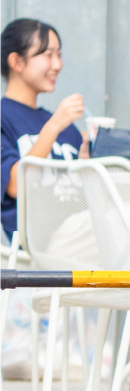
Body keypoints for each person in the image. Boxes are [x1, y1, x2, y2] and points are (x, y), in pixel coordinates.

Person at [2, 19, 89, 242]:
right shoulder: (5, 117)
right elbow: (14, 185)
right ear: (17, 62)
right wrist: (53, 127)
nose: (57, 64)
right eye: (48, 55)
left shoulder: (63, 125)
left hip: (80, 230)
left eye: (59, 55)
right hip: (38, 243)